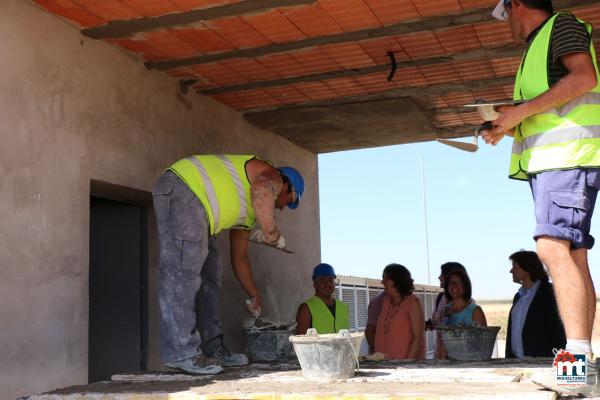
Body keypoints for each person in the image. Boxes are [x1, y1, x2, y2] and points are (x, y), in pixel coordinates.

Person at [483, 0, 600, 365]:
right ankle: (585, 365)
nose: (507, 24)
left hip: (566, 158)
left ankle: (575, 365)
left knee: (551, 248)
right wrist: (508, 124)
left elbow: (584, 78)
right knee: (573, 255)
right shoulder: (538, 46)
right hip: (559, 161)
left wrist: (521, 111)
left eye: (504, 14)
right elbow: (548, 105)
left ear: (516, 4)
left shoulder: (561, 26)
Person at [152, 155, 304, 374]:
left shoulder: (248, 216)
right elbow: (261, 189)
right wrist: (271, 233)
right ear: (286, 184)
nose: (283, 208)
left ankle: (213, 348)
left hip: (198, 208)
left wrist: (254, 293)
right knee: (182, 271)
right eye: (289, 201)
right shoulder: (272, 175)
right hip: (184, 187)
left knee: (210, 274)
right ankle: (181, 352)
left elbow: (239, 257)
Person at [506, 250, 566, 358]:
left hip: (545, 364)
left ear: (528, 268)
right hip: (517, 363)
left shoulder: (552, 293)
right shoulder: (518, 296)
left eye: (515, 267)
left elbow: (560, 332)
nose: (511, 271)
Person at [374, 264, 425, 360]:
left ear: (396, 280)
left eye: (385, 278)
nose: (382, 282)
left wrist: (406, 364)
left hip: (403, 367)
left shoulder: (413, 302)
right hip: (383, 364)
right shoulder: (385, 301)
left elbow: (417, 338)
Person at [295, 263, 349, 335]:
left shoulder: (343, 307)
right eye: (322, 280)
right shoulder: (306, 308)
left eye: (330, 279)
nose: (327, 284)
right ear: (315, 284)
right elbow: (300, 342)